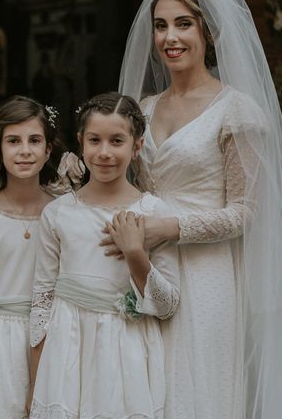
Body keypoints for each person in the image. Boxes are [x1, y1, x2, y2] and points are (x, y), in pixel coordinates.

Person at [116, 0, 282, 419]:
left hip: (208, 275)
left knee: (199, 391)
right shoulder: (144, 110)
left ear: (207, 31)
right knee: (149, 389)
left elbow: (245, 211)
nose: (171, 37)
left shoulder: (237, 111)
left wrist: (168, 227)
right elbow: (131, 186)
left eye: (184, 24)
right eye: (162, 25)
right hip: (149, 267)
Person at [28, 93, 180, 418]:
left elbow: (167, 306)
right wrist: (37, 380)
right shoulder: (57, 213)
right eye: (95, 140)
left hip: (129, 351)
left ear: (137, 146)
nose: (105, 152)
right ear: (81, 142)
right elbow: (42, 300)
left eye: (117, 141)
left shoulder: (153, 212)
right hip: (68, 350)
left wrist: (135, 252)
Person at [0, 96, 64, 419]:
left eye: (35, 141)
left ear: (48, 150)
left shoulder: (64, 211)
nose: (24, 151)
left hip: (55, 340)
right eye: (13, 141)